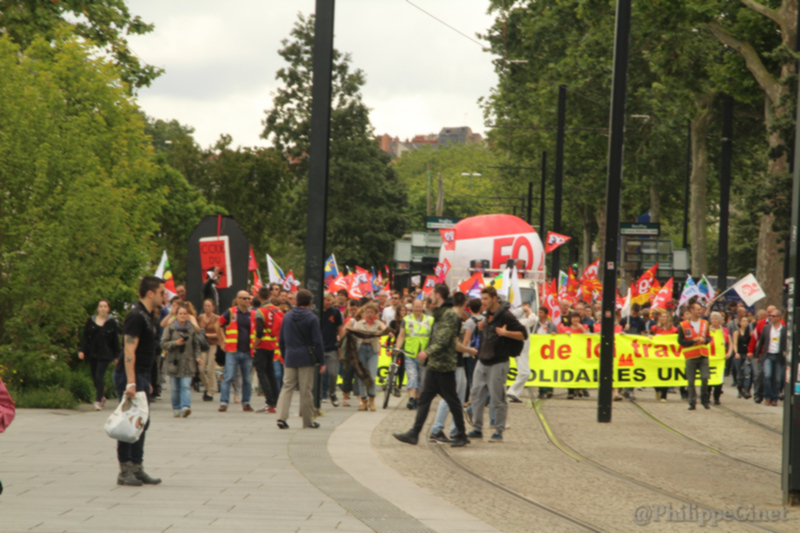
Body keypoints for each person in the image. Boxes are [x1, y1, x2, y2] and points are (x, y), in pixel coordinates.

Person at [393, 284, 470, 448]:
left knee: (452, 400)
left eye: (433, 294)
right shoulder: (440, 314)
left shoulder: (448, 315)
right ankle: (414, 433)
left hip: (444, 365)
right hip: (434, 365)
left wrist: (427, 352)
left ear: (439, 295)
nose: (431, 296)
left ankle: (461, 434)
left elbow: (443, 338)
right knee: (425, 400)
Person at [114, 275, 164, 486]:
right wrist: (132, 382)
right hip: (130, 375)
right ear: (150, 293)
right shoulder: (136, 316)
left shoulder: (148, 316)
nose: (165, 296)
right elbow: (129, 349)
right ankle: (125, 470)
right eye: (162, 292)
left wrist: (145, 380)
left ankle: (137, 466)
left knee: (142, 422)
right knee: (130, 422)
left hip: (140, 375)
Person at [467, 286, 527, 442]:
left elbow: (523, 334)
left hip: (499, 362)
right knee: (476, 396)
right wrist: (482, 327)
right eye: (482, 299)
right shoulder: (486, 315)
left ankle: (498, 431)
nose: (483, 302)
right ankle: (477, 429)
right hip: (483, 359)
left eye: (486, 299)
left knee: (497, 397)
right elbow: (489, 333)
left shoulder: (507, 316)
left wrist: (506, 333)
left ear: (494, 299)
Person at [276, 289, 326, 429]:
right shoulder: (312, 318)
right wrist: (322, 361)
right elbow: (317, 341)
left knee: (287, 387)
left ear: (296, 301)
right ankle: (308, 421)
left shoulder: (287, 316)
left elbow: (282, 339)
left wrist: (284, 355)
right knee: (305, 390)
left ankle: (281, 417)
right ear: (310, 302)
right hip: (306, 358)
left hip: (290, 357)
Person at [217, 291, 256, 412]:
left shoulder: (254, 314)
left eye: (249, 298)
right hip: (233, 350)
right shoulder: (231, 312)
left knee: (247, 380)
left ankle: (246, 403)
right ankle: (224, 402)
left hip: (248, 351)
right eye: (244, 298)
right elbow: (217, 325)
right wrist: (222, 341)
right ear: (238, 299)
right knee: (228, 377)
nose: (247, 301)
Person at [161, 304, 202, 418]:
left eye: (185, 313)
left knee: (185, 385)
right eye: (180, 314)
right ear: (176, 315)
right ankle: (176, 408)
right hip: (174, 362)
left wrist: (198, 356)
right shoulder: (170, 328)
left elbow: (196, 345)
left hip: (188, 362)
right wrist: (175, 343)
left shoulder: (191, 328)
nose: (183, 316)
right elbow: (163, 343)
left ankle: (185, 407)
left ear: (188, 315)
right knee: (175, 388)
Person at [78, 299, 120, 410]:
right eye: (101, 306)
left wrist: (117, 356)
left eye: (105, 306)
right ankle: (101, 395)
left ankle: (98, 401)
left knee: (99, 375)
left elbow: (115, 340)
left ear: (108, 309)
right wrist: (81, 350)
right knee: (94, 377)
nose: (102, 308)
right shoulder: (91, 321)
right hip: (92, 352)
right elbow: (85, 337)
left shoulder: (111, 323)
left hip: (105, 354)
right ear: (97, 308)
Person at [393, 299, 433, 410]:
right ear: (412, 308)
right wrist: (397, 347)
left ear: (423, 307)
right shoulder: (406, 320)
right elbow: (401, 335)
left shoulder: (430, 320)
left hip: (424, 355)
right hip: (410, 353)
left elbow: (433, 337)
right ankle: (411, 399)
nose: (418, 309)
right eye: (416, 307)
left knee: (421, 378)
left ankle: (417, 399)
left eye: (420, 307)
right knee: (412, 375)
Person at [678, 298, 712, 410]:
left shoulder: (705, 323)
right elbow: (680, 341)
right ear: (691, 310)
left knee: (705, 378)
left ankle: (704, 399)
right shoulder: (683, 325)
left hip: (703, 355)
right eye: (697, 309)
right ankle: (692, 402)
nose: (700, 311)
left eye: (700, 309)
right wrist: (693, 341)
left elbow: (709, 337)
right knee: (691, 381)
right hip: (691, 356)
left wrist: (705, 340)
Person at [351, 303, 386, 411]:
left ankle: (372, 401)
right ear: (364, 313)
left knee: (372, 376)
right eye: (368, 312)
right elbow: (354, 333)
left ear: (375, 313)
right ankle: (363, 401)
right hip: (361, 349)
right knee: (362, 376)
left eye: (372, 312)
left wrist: (385, 332)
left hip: (373, 350)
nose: (370, 314)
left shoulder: (378, 322)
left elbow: (385, 329)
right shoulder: (360, 323)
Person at [254, 289, 282, 413]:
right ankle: (276, 401)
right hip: (273, 345)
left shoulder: (260, 311)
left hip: (262, 346)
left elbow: (259, 332)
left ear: (258, 296)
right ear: (270, 295)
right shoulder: (277, 309)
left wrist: (255, 345)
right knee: (271, 373)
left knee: (262, 373)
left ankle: (269, 402)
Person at [754, 307, 786, 407]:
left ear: (779, 317)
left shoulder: (784, 329)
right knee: (767, 376)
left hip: (779, 356)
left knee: (777, 379)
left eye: (773, 316)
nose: (770, 317)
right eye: (770, 316)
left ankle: (774, 398)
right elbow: (761, 342)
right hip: (768, 355)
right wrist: (757, 354)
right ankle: (767, 397)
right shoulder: (766, 328)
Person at [507, 303, 538, 403]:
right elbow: (533, 319)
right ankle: (512, 390)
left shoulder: (519, 321)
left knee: (524, 372)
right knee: (525, 373)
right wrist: (527, 310)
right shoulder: (520, 322)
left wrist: (524, 309)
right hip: (521, 350)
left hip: (523, 350)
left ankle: (514, 393)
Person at [527, 306, 558, 400]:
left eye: (541, 313)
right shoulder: (535, 325)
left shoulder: (552, 325)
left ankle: (549, 389)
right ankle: (541, 391)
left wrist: (554, 335)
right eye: (538, 312)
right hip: (538, 351)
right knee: (539, 370)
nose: (539, 314)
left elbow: (557, 337)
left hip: (548, 351)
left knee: (548, 370)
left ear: (545, 314)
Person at [320, 291, 344, 407]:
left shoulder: (335, 312)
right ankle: (320, 393)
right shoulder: (316, 312)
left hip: (332, 347)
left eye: (330, 300)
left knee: (333, 373)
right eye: (327, 300)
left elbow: (340, 328)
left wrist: (341, 343)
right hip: (318, 347)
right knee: (319, 373)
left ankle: (332, 392)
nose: (329, 302)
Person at [649, 310, 677, 401]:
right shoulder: (654, 328)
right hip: (656, 355)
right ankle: (657, 389)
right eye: (661, 317)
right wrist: (649, 337)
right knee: (656, 374)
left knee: (666, 374)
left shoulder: (674, 330)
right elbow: (648, 339)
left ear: (668, 318)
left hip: (668, 356)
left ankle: (664, 395)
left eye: (665, 317)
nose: (663, 318)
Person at [197, 299, 221, 401]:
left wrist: (208, 335)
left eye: (209, 306)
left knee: (211, 369)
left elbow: (220, 333)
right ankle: (208, 387)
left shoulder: (217, 318)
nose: (207, 307)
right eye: (205, 305)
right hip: (203, 345)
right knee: (201, 369)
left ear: (213, 307)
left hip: (213, 345)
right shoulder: (200, 317)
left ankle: (210, 392)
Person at [708, 311, 733, 405]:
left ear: (720, 321)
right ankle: (707, 396)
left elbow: (730, 342)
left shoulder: (724, 331)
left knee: (719, 379)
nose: (714, 320)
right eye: (712, 319)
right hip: (710, 358)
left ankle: (716, 397)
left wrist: (729, 353)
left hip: (720, 359)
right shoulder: (707, 330)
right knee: (709, 378)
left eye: (716, 319)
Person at [387, 303, 408, 397]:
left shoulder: (408, 321)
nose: (403, 312)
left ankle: (398, 387)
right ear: (398, 311)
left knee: (402, 366)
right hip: (396, 345)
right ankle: (391, 382)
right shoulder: (393, 322)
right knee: (394, 365)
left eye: (404, 310)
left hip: (406, 346)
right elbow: (389, 335)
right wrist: (388, 346)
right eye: (401, 310)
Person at [732, 315, 753, 399]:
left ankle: (746, 389)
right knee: (739, 373)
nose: (745, 323)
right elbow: (735, 343)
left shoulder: (749, 333)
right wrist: (736, 352)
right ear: (740, 323)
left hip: (747, 354)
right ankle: (739, 389)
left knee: (747, 372)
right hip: (739, 354)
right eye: (743, 321)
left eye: (746, 321)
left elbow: (752, 342)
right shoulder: (736, 332)